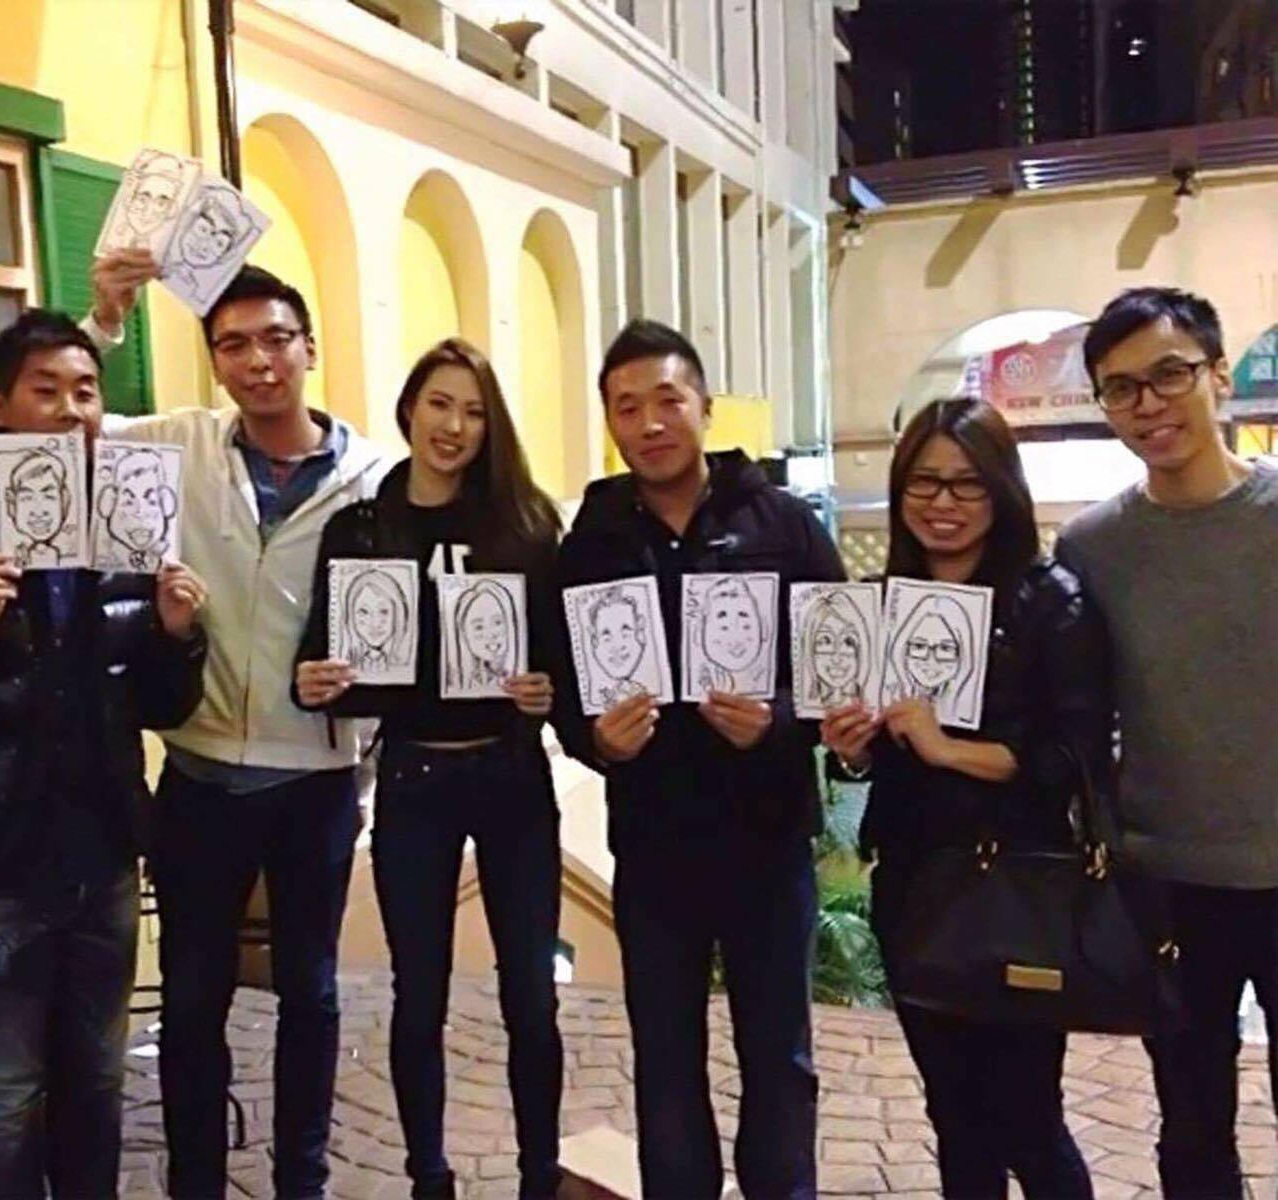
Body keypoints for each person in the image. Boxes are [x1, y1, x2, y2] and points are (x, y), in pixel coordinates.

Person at [87, 254, 387, 1198]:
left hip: (317, 783)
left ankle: (303, 1179)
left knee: (311, 995)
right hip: (201, 776)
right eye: (234, 346)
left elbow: (401, 623)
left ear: (309, 349)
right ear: (215, 361)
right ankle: (197, 1183)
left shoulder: (376, 478)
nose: (258, 361)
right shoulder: (180, 443)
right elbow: (66, 431)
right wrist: (106, 317)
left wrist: (365, 697)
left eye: (275, 340)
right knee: (191, 1001)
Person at [0, 310, 209, 1198]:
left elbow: (163, 707)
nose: (71, 411)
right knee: (2, 1095)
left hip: (101, 854)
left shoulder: (129, 527)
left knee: (98, 1082)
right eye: (47, 391)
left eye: (86, 392)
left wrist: (177, 635)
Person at [553, 319, 845, 1199]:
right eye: (626, 407)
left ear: (704, 408)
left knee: (779, 1055)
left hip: (767, 840)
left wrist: (780, 720)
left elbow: (839, 668)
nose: (649, 424)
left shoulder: (783, 524)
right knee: (665, 1055)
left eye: (667, 400)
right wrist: (594, 740)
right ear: (610, 422)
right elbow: (564, 684)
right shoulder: (593, 540)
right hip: (654, 846)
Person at [293, 337, 564, 1200]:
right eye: (440, 404)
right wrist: (315, 682)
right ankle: (429, 1177)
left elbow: (563, 660)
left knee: (533, 995)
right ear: (410, 407)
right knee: (419, 994)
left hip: (513, 776)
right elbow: (319, 659)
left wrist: (545, 691)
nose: (455, 426)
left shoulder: (525, 524)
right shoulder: (362, 528)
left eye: (475, 412)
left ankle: (538, 1174)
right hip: (414, 778)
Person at [823, 398, 1105, 1199]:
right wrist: (853, 749)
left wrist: (950, 748)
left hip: (1019, 888)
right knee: (953, 1113)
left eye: (966, 484)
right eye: (924, 482)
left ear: (1001, 490)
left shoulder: (1050, 601)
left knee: (1028, 1118)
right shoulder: (882, 603)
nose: (942, 503)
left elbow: (1076, 756)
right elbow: (869, 766)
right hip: (915, 886)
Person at [1055, 287, 1278, 1198]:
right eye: (1121, 388)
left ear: (1219, 376)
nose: (1148, 404)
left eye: (1169, 374)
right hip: (1167, 884)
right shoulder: (1092, 546)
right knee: (1189, 1130)